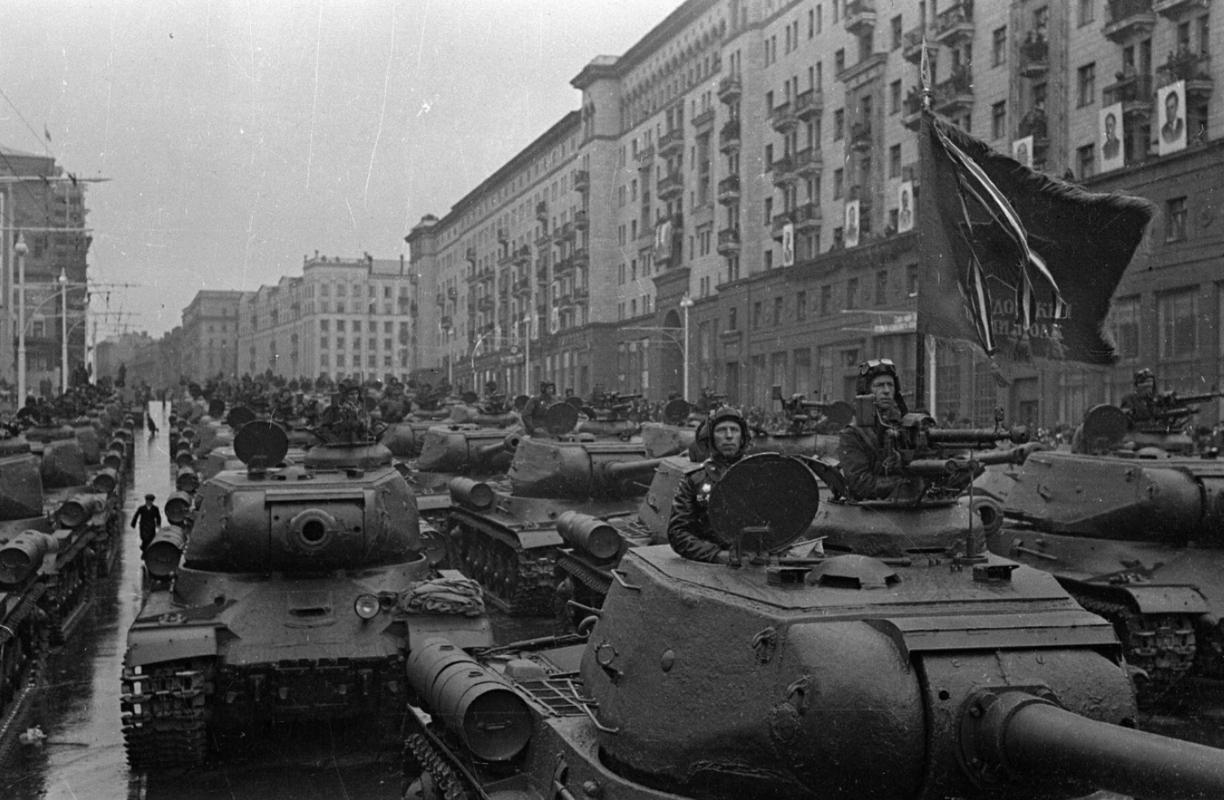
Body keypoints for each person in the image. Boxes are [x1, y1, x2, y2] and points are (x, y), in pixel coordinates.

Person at [667, 406, 752, 563]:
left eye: (734, 430)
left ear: (742, 437)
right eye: (721, 430)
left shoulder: (759, 474)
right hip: (713, 566)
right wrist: (716, 555)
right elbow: (678, 532)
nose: (728, 436)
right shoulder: (695, 480)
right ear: (711, 438)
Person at [837, 358, 923, 501]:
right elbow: (860, 482)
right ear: (866, 391)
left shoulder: (906, 425)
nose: (886, 391)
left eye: (890, 385)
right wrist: (902, 483)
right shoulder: (853, 434)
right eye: (879, 385)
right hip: (871, 510)